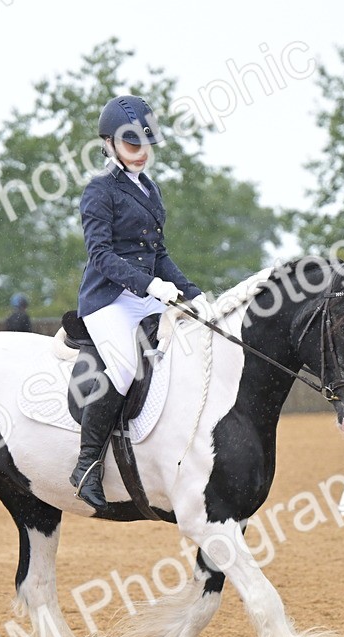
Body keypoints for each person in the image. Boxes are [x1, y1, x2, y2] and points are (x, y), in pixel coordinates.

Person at [69, 94, 212, 509]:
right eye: (132, 145)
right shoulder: (99, 191)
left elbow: (160, 254)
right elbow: (102, 255)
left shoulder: (149, 188)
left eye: (146, 145)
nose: (141, 153)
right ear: (109, 143)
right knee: (126, 365)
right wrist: (150, 286)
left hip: (147, 295)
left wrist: (194, 293)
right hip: (108, 299)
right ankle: (87, 464)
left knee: (183, 350)